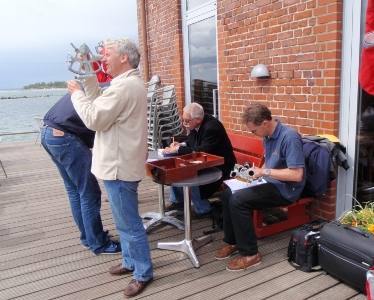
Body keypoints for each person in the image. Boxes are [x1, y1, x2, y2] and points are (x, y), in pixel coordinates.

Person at [67, 38, 153, 298]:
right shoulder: (126, 84)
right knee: (123, 220)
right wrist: (90, 78)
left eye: (108, 54)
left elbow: (93, 118)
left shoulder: (125, 87)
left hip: (119, 166)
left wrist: (76, 94)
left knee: (128, 223)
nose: (103, 59)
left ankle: (143, 273)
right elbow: (100, 105)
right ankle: (129, 262)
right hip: (120, 164)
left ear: (124, 58)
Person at [214, 102, 306, 271]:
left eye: (254, 131)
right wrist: (254, 173)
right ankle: (232, 241)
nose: (254, 134)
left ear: (264, 122)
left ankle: (251, 254)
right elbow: (270, 166)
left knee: (238, 201)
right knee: (228, 194)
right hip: (271, 182)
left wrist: (264, 173)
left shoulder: (289, 137)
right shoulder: (268, 137)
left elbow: (296, 175)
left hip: (287, 189)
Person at [41, 86, 119, 255]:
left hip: (47, 133)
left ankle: (88, 238)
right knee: (89, 193)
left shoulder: (93, 87)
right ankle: (99, 244)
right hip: (67, 137)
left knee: (75, 191)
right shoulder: (109, 94)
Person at [162, 102, 236, 218]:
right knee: (175, 162)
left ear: (198, 119)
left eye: (186, 120)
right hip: (207, 162)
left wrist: (177, 149)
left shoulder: (212, 127)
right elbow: (193, 141)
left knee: (189, 171)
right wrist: (181, 144)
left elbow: (202, 151)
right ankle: (178, 201)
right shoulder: (196, 125)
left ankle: (203, 208)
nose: (184, 123)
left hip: (220, 166)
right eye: (183, 119)